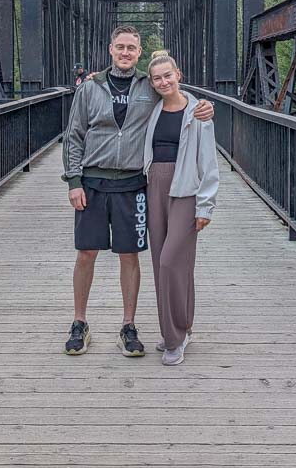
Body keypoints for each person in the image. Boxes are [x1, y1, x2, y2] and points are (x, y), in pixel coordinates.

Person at [62, 25, 213, 357]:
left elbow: (177, 94)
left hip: (133, 184)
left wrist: (204, 106)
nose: (126, 52)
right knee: (86, 253)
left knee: (130, 255)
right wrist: (74, 181)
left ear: (140, 52)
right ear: (110, 49)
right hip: (93, 181)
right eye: (120, 47)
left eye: (132, 48)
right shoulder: (90, 88)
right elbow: (73, 136)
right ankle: (79, 322)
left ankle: (128, 325)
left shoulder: (149, 86)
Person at [142, 50, 218, 365]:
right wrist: (93, 81)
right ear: (152, 82)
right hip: (154, 186)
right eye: (157, 78)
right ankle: (178, 327)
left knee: (171, 261)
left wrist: (206, 206)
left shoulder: (198, 113)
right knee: (163, 261)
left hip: (186, 190)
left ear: (179, 75)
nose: (163, 81)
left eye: (168, 75)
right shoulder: (151, 109)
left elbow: (209, 162)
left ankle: (175, 340)